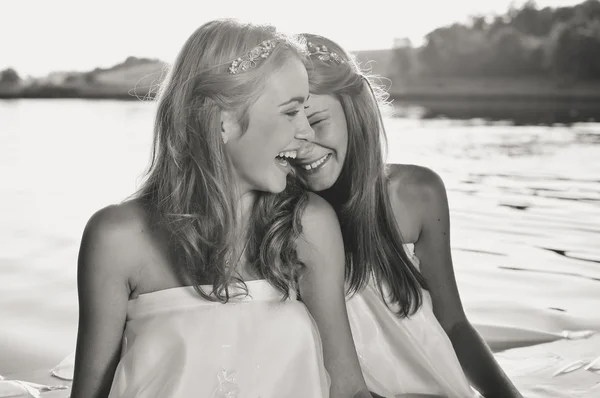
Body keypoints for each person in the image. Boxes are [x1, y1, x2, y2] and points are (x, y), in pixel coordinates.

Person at [69, 20, 373, 398]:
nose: (307, 133)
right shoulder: (116, 238)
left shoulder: (309, 225)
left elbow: (347, 387)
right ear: (221, 120)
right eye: (291, 111)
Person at [292, 34, 524, 398]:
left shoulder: (417, 194)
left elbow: (454, 323)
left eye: (318, 121)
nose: (303, 147)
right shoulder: (278, 218)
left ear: (355, 112)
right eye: (289, 131)